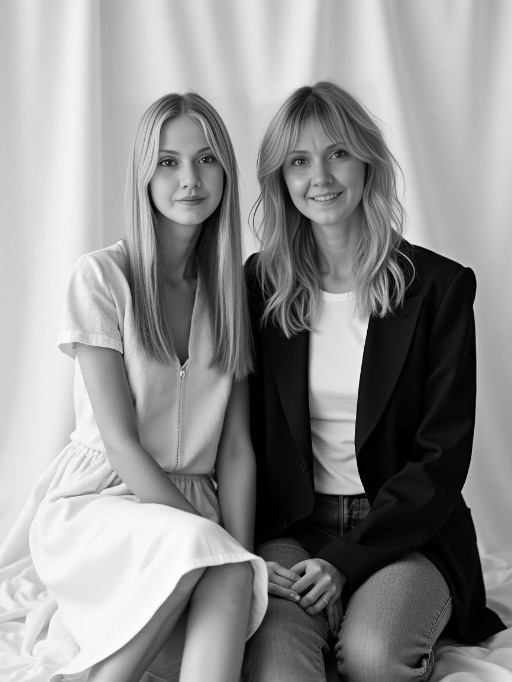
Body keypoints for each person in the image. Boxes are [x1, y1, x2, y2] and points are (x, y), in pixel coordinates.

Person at [242, 81, 505, 682]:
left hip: (406, 532)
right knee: (279, 671)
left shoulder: (438, 288)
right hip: (292, 531)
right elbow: (239, 435)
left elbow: (442, 457)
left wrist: (346, 563)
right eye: (298, 161)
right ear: (281, 179)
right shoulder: (260, 286)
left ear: (366, 161)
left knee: (373, 659)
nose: (320, 177)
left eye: (337, 153)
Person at [0, 92, 267, 682]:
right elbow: (120, 442)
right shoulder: (101, 277)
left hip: (190, 513)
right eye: (168, 162)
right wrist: (210, 541)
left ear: (226, 171)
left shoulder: (232, 294)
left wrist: (241, 553)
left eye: (206, 159)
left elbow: (236, 450)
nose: (190, 179)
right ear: (144, 174)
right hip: (103, 504)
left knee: (231, 574)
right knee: (210, 558)